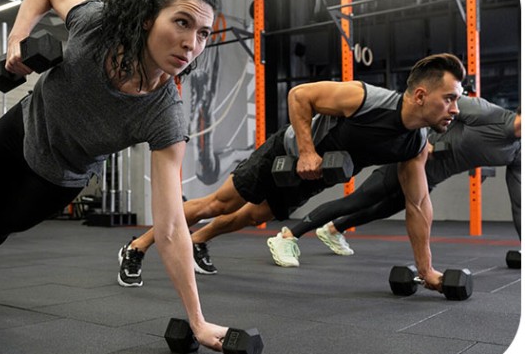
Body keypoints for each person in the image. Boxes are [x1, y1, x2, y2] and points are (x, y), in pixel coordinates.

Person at [0, 0, 229, 351]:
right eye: (182, 22)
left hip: (60, 176)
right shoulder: (96, 25)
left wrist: (198, 321)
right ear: (149, 17)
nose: (191, 43)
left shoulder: (165, 115)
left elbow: (169, 227)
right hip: (21, 128)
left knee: (1, 224)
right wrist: (16, 38)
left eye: (204, 33)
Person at [118, 53, 465, 294]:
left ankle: (197, 241)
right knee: (219, 204)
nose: (455, 109)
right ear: (421, 95)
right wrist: (307, 151)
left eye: (457, 100)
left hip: (312, 177)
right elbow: (301, 95)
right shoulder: (365, 99)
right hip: (284, 153)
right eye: (450, 98)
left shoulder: (415, 146)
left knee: (251, 217)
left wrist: (426, 269)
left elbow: (418, 206)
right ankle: (137, 247)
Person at [269, 97, 520, 266]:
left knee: (381, 210)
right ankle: (287, 236)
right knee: (359, 201)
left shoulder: (516, 151)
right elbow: (433, 103)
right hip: (411, 161)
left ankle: (333, 230)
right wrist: (424, 138)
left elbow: (520, 200)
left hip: (431, 177)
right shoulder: (491, 114)